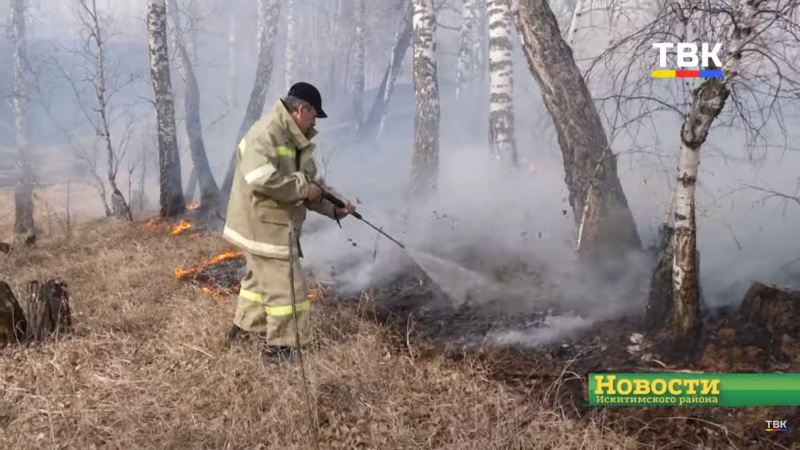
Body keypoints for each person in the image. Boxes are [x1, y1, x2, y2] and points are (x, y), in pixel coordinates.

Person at [223, 82, 356, 360]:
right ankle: (282, 352)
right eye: (314, 115)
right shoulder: (266, 133)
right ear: (299, 109)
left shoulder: (295, 138)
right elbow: (261, 180)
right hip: (263, 227)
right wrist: (303, 187)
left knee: (260, 284)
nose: (314, 121)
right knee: (288, 290)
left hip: (270, 225)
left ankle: (244, 333)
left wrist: (335, 208)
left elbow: (309, 186)